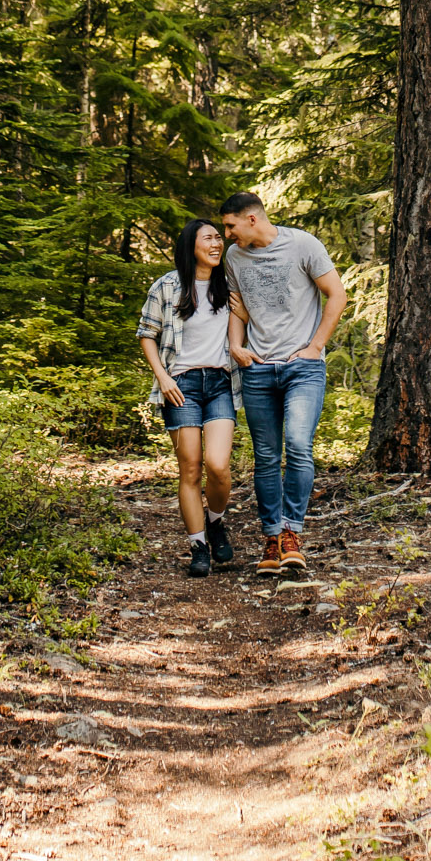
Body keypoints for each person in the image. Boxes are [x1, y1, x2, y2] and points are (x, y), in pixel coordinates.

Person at [221, 191, 347, 580]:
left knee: (298, 446)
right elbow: (237, 306)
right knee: (266, 456)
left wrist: (316, 346)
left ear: (252, 219)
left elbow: (336, 294)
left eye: (230, 226)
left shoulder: (303, 245)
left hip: (302, 368)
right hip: (258, 370)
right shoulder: (234, 258)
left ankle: (293, 532)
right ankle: (271, 538)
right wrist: (236, 347)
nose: (226, 235)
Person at [136, 217, 239, 578]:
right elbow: (147, 333)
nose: (216, 243)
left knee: (218, 466)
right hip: (181, 385)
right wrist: (162, 377)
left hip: (220, 383)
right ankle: (198, 546)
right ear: (190, 246)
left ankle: (216, 522)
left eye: (218, 238)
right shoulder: (166, 286)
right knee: (191, 468)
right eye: (208, 238)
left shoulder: (229, 286)